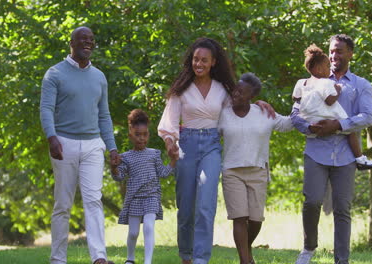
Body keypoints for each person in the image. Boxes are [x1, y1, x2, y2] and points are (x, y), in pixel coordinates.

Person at [158, 37, 275, 264]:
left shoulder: (223, 89)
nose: (198, 63)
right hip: (186, 147)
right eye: (195, 59)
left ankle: (201, 258)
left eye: (204, 60)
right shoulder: (180, 88)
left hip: (211, 147)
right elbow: (169, 123)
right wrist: (171, 145)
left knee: (205, 205)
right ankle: (186, 256)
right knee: (186, 207)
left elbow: (239, 108)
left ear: (213, 63)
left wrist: (259, 105)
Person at [291, 34, 372, 264]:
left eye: (339, 51)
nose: (334, 55)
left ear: (350, 53)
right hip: (315, 151)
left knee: (342, 209)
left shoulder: (361, 85)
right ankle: (309, 247)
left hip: (346, 156)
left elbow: (368, 117)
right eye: (331, 51)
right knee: (312, 201)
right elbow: (295, 113)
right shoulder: (313, 80)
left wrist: (339, 124)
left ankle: (342, 260)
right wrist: (310, 127)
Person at [40, 26, 117, 264]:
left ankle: (99, 257)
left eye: (92, 39)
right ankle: (58, 259)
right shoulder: (54, 74)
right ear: (71, 43)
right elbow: (46, 109)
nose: (88, 42)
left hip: (94, 144)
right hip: (64, 143)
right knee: (63, 204)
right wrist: (51, 137)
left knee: (94, 200)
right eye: (83, 39)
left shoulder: (99, 77)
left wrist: (112, 148)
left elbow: (104, 116)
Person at [218, 73, 293, 264]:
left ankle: (246, 250)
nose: (236, 94)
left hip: (258, 170)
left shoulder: (262, 113)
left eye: (242, 92)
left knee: (256, 219)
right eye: (236, 89)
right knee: (239, 217)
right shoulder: (223, 113)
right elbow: (209, 134)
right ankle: (245, 260)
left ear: (251, 96)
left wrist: (302, 102)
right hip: (232, 171)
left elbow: (287, 124)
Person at [292, 44, 372, 170]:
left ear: (350, 54)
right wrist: (337, 90)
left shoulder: (301, 82)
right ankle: (360, 158)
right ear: (319, 69)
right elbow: (330, 101)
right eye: (327, 66)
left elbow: (296, 98)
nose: (330, 67)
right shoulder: (326, 82)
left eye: (339, 51)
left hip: (310, 117)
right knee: (349, 130)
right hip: (325, 116)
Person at [111, 109, 177, 264]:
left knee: (148, 227)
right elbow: (119, 176)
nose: (141, 138)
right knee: (133, 232)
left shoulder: (154, 154)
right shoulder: (125, 157)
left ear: (149, 134)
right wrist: (113, 168)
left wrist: (173, 161)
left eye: (145, 134)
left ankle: (148, 261)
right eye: (137, 135)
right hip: (134, 198)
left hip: (151, 196)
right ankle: (130, 259)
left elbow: (163, 173)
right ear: (130, 136)